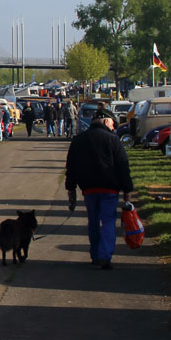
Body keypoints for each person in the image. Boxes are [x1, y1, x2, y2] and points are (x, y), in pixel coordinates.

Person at [65, 106, 134, 269]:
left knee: (93, 223)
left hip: (88, 190)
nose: (113, 128)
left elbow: (71, 167)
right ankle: (105, 255)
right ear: (106, 121)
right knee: (109, 222)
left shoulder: (79, 140)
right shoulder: (113, 140)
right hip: (109, 189)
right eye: (113, 125)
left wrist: (71, 190)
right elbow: (123, 166)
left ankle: (95, 255)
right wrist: (127, 190)